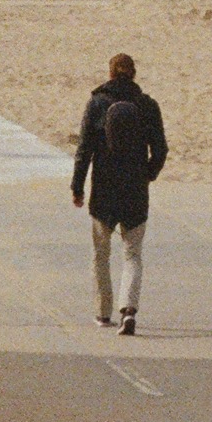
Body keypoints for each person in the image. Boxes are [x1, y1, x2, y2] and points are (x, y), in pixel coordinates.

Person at [72, 54, 169, 336]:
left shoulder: (97, 103)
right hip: (135, 190)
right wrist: (148, 174)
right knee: (132, 254)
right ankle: (128, 310)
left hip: (103, 188)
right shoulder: (148, 105)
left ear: (110, 74)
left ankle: (103, 313)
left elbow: (84, 151)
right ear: (134, 74)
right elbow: (161, 149)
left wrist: (77, 187)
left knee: (100, 254)